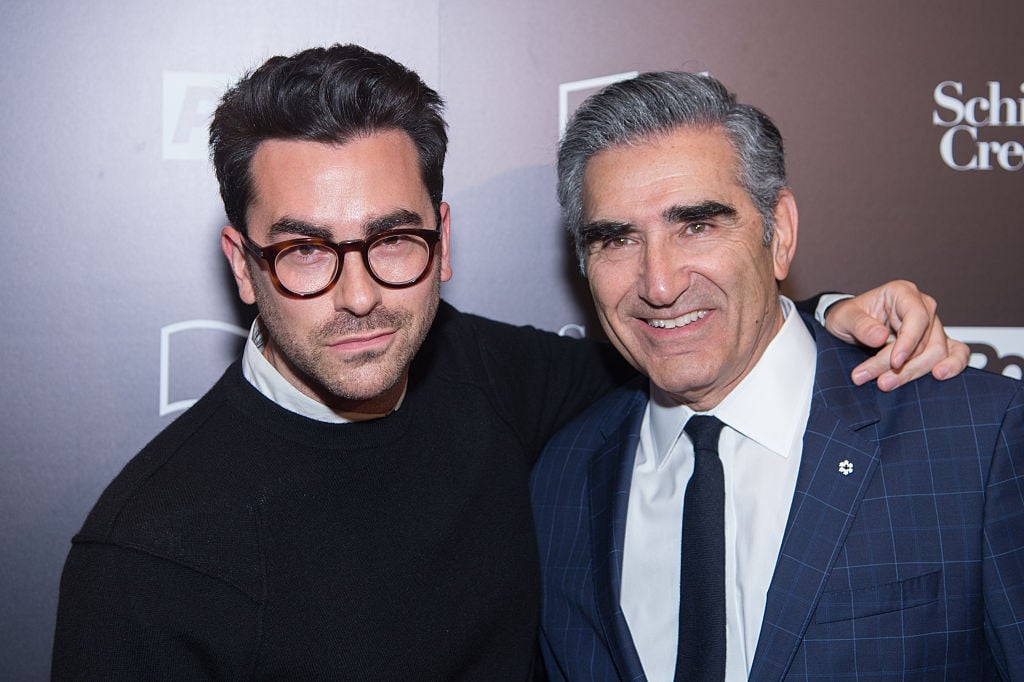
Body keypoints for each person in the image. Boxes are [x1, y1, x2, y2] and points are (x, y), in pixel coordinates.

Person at [52, 46, 966, 680]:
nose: (360, 293)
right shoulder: (149, 555)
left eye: (393, 238)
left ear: (443, 242)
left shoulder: (499, 381)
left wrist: (824, 313)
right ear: (241, 266)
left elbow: (681, 331)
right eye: (303, 251)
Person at [530, 71, 1024, 681]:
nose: (659, 284)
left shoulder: (979, 438)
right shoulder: (563, 477)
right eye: (618, 239)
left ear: (779, 232)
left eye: (698, 225)